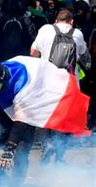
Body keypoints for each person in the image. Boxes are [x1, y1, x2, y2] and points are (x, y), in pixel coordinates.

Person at [30, 9, 89, 164]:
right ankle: (59, 155)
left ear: (56, 20)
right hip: (68, 83)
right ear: (71, 22)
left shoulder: (45, 29)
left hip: (46, 80)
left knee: (46, 114)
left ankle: (45, 144)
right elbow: (82, 53)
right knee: (64, 117)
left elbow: (33, 53)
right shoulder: (77, 33)